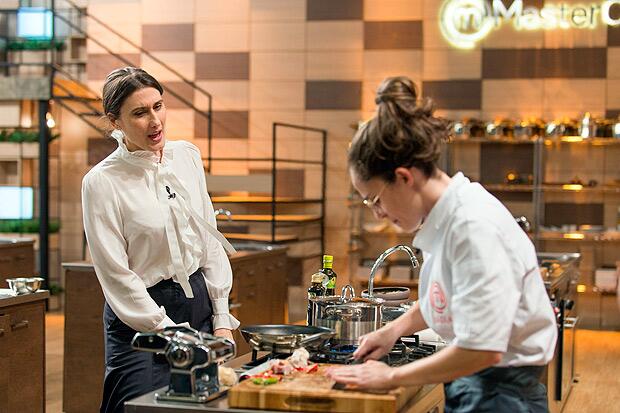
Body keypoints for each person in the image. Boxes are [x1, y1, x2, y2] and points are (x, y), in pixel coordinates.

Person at [326, 76, 557, 412]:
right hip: (481, 385)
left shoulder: (471, 227)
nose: (378, 214)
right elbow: (448, 297)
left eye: (375, 199)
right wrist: (391, 331)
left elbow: (482, 349)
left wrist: (391, 378)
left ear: (404, 178)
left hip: (501, 393)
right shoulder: (447, 216)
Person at [81, 67, 239, 413]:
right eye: (139, 113)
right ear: (115, 121)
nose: (155, 121)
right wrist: (168, 331)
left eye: (158, 106)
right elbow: (116, 275)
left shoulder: (187, 156)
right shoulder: (101, 182)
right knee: (137, 407)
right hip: (140, 319)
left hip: (198, 304)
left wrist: (222, 318)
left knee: (201, 405)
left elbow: (209, 240)